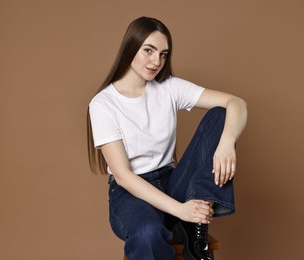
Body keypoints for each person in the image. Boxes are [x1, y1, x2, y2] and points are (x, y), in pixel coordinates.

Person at [87, 16, 247, 260]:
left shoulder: (169, 87)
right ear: (131, 47)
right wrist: (182, 210)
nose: (156, 61)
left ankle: (197, 228)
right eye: (148, 51)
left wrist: (227, 144)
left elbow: (236, 103)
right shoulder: (103, 104)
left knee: (220, 115)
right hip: (130, 192)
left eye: (163, 54)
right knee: (147, 233)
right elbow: (124, 177)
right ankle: (189, 222)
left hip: (172, 181)